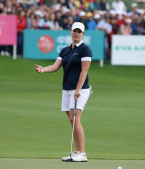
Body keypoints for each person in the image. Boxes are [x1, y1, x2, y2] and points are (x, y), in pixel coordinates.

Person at [34, 22, 92, 162]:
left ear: (83, 34)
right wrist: (43, 69)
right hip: (66, 88)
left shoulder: (85, 50)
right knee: (72, 120)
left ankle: (82, 153)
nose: (76, 33)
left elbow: (84, 71)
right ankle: (77, 152)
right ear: (70, 32)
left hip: (80, 89)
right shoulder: (65, 50)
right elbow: (55, 66)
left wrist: (78, 89)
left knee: (76, 119)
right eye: (74, 31)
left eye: (79, 31)